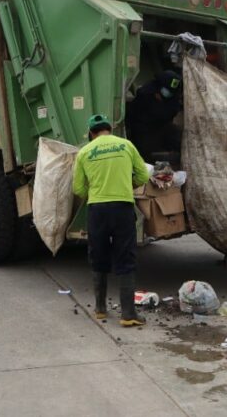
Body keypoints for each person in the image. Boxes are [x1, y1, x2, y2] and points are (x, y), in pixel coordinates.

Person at [72, 113, 151, 327]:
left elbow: (78, 188)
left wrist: (96, 189)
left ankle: (100, 309)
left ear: (91, 133)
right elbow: (144, 175)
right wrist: (127, 183)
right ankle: (128, 314)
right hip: (123, 208)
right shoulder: (126, 145)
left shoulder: (84, 152)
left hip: (97, 210)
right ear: (109, 130)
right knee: (125, 257)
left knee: (98, 255)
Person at [125, 70, 182, 158]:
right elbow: (135, 114)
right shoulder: (146, 93)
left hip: (161, 127)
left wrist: (162, 103)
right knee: (144, 148)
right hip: (143, 129)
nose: (167, 94)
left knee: (178, 137)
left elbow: (171, 112)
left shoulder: (173, 97)